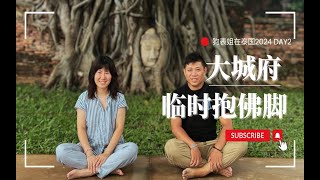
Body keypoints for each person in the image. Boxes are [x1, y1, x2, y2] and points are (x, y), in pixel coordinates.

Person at [164, 52, 248, 180]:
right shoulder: (178, 94)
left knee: (242, 142)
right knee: (171, 148)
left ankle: (202, 170)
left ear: (205, 70)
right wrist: (192, 146)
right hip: (188, 145)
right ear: (184, 72)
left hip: (211, 144)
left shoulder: (215, 93)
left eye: (198, 69)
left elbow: (227, 125)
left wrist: (217, 149)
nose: (193, 74)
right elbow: (176, 128)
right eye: (190, 70)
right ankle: (215, 168)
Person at [56, 55, 138, 179]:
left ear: (112, 76)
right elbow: (81, 127)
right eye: (99, 72)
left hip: (113, 150)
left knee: (132, 149)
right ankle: (108, 168)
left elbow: (119, 128)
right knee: (61, 151)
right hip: (89, 148)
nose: (103, 77)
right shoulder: (84, 98)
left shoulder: (119, 98)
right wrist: (89, 154)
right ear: (93, 75)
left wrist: (106, 154)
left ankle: (90, 171)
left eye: (107, 73)